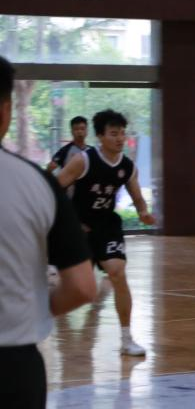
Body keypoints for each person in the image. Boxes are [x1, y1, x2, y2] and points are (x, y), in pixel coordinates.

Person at [0, 56, 97, 409]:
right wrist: (36, 307)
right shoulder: (35, 184)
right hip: (13, 371)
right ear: (6, 111)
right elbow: (82, 286)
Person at [53, 108, 154, 356]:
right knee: (77, 287)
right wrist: (68, 222)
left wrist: (143, 212)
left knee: (118, 273)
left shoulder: (127, 166)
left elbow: (137, 197)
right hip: (79, 226)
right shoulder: (83, 160)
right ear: (100, 136)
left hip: (107, 226)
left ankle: (127, 339)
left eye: (122, 133)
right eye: (113, 133)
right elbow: (55, 189)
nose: (120, 138)